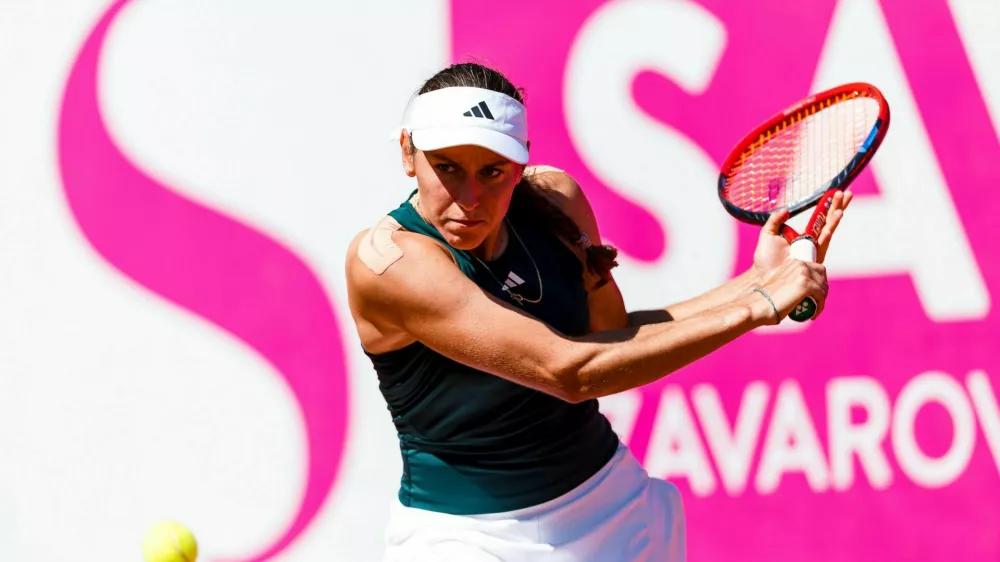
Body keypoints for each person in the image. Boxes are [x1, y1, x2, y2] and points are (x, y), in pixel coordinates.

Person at [345, 62, 852, 562]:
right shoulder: (389, 262)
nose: (469, 198)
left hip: (615, 512)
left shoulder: (556, 201)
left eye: (492, 172)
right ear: (409, 154)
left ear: (521, 165)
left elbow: (613, 336)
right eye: (447, 168)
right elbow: (569, 370)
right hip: (468, 540)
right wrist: (757, 307)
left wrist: (757, 281)